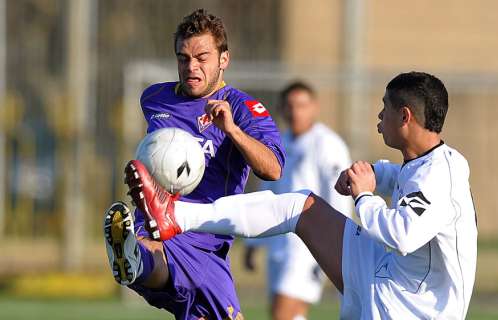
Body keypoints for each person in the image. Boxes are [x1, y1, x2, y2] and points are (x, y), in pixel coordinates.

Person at [123, 71, 478, 319]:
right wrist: (372, 174)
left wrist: (365, 197)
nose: (379, 115)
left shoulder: (439, 175)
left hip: (411, 309)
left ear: (406, 116)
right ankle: (177, 215)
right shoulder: (429, 163)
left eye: (385, 107)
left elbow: (403, 234)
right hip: (387, 277)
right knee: (302, 206)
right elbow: (403, 179)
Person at [103, 9, 285, 320]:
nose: (191, 66)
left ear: (223, 59)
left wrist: (232, 130)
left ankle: (137, 259)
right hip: (165, 228)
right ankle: (138, 256)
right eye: (183, 58)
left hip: (207, 236)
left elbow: (272, 169)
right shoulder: (155, 98)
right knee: (162, 251)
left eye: (202, 57)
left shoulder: (242, 108)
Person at [243, 81, 352, 320]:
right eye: (290, 105)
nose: (295, 111)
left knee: (283, 312)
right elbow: (266, 191)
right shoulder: (279, 143)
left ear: (314, 107)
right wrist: (252, 245)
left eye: (302, 105)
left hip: (310, 245)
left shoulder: (327, 144)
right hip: (279, 242)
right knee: (289, 315)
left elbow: (339, 196)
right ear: (281, 108)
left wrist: (337, 245)